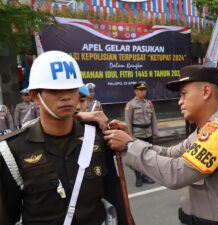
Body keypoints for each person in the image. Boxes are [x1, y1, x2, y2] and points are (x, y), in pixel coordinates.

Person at [104, 65, 218, 225]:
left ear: (206, 92)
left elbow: (177, 172)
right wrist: (132, 140)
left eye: (184, 94)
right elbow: (170, 153)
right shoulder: (203, 131)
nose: (180, 101)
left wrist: (130, 146)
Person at [0, 51, 129, 225]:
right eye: (55, 90)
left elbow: (116, 200)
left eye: (72, 88)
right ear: (35, 96)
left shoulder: (97, 138)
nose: (66, 96)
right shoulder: (12, 150)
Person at [124, 82, 158, 187]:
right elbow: (128, 121)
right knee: (136, 157)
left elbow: (153, 119)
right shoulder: (130, 105)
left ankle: (146, 176)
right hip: (137, 135)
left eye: (144, 89)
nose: (143, 91)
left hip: (148, 134)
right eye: (140, 90)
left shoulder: (149, 104)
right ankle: (138, 177)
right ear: (136, 91)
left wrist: (154, 132)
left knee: (147, 156)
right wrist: (130, 136)